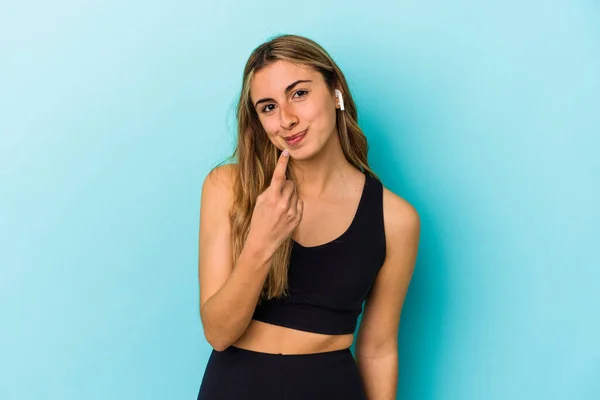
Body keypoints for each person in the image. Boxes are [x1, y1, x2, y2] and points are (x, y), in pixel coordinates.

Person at [196, 34, 420, 400]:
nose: (286, 119)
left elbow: (378, 349)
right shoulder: (229, 187)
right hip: (234, 387)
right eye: (268, 107)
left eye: (299, 93)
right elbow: (218, 333)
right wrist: (262, 241)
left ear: (335, 92)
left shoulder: (395, 219)